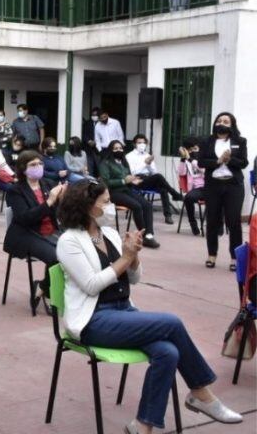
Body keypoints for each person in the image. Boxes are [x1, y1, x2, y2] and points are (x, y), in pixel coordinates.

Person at [56, 180, 243, 434]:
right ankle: (201, 393)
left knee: (168, 353)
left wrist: (134, 256)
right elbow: (91, 285)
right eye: (106, 202)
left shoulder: (108, 233)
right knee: (171, 322)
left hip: (124, 311)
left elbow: (133, 278)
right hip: (94, 320)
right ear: (88, 206)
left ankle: (142, 425)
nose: (112, 206)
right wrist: (125, 258)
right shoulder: (69, 241)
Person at [3, 150, 65, 311]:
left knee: (75, 251)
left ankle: (42, 287)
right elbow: (25, 218)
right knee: (57, 257)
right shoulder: (15, 190)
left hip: (51, 231)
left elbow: (57, 213)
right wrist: (50, 201)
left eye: (40, 163)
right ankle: (50, 294)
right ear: (23, 169)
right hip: (26, 234)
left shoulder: (48, 184)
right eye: (33, 165)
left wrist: (62, 200)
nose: (38, 167)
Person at [199, 113, 249, 271]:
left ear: (232, 125)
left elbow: (243, 162)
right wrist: (218, 161)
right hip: (213, 185)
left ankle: (235, 258)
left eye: (226, 121)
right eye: (219, 120)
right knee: (212, 220)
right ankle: (211, 255)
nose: (222, 123)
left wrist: (229, 160)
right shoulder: (207, 141)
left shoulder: (239, 141)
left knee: (233, 222)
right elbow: (201, 161)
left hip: (233, 186)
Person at [99, 140, 159, 248]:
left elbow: (129, 176)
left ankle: (149, 235)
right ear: (111, 150)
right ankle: (143, 236)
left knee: (147, 205)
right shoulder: (105, 163)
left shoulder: (123, 162)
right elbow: (105, 182)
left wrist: (133, 181)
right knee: (137, 206)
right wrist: (123, 181)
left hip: (127, 190)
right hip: (114, 193)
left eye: (120, 148)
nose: (119, 150)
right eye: (116, 148)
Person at [125, 134, 184, 224]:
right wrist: (145, 163)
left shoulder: (147, 155)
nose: (142, 144)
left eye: (144, 143)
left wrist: (149, 164)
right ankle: (174, 194)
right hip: (136, 179)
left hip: (148, 178)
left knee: (163, 188)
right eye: (139, 142)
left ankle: (168, 216)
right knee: (159, 177)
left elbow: (154, 172)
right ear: (134, 144)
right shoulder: (129, 156)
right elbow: (132, 172)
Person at [177, 137, 205, 235]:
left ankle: (217, 225)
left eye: (195, 149)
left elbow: (204, 170)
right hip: (196, 189)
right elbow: (181, 173)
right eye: (190, 150)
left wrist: (191, 159)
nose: (192, 151)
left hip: (208, 187)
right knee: (188, 198)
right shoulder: (187, 160)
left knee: (219, 198)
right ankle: (193, 223)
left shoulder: (205, 158)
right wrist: (183, 159)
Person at [82, 107, 102, 176]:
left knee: (100, 167)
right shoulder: (87, 123)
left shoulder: (103, 124)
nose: (94, 116)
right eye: (92, 115)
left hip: (99, 150)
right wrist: (88, 141)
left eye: (95, 115)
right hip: (88, 149)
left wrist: (96, 142)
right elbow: (83, 134)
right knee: (89, 167)